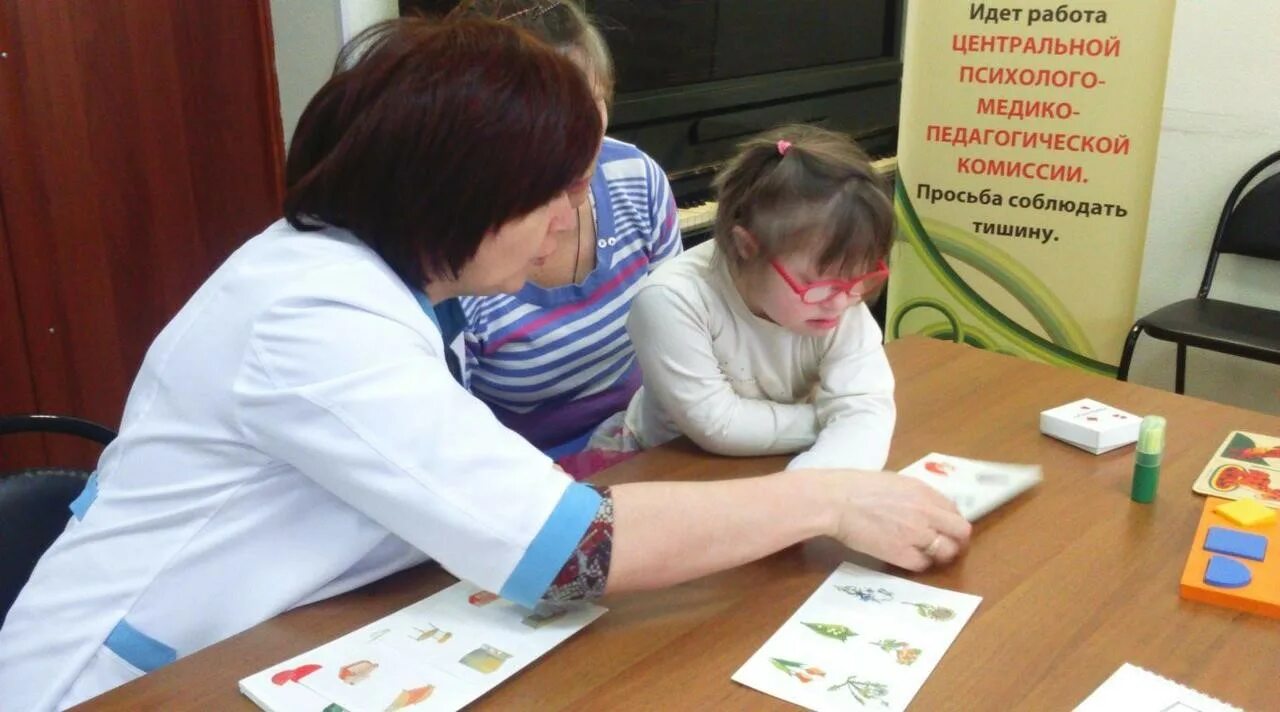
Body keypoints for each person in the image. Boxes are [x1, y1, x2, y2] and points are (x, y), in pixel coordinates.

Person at [0, 21, 967, 711]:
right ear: (464, 192)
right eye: (555, 194)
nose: (567, 224)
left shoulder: (395, 282)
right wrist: (832, 500)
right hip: (131, 681)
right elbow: (572, 551)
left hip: (298, 639)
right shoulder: (314, 314)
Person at [449, 1, 683, 474]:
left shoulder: (637, 177)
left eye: (588, 104)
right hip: (522, 473)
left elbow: (683, 326)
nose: (576, 138)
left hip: (643, 433)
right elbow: (455, 447)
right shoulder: (461, 250)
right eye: (548, 117)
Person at [616, 125, 897, 470]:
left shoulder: (839, 294)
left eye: (860, 280)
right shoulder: (671, 300)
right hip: (670, 461)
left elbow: (864, 403)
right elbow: (718, 424)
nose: (841, 302)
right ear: (746, 247)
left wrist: (815, 488)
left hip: (775, 455)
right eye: (817, 284)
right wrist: (833, 419)